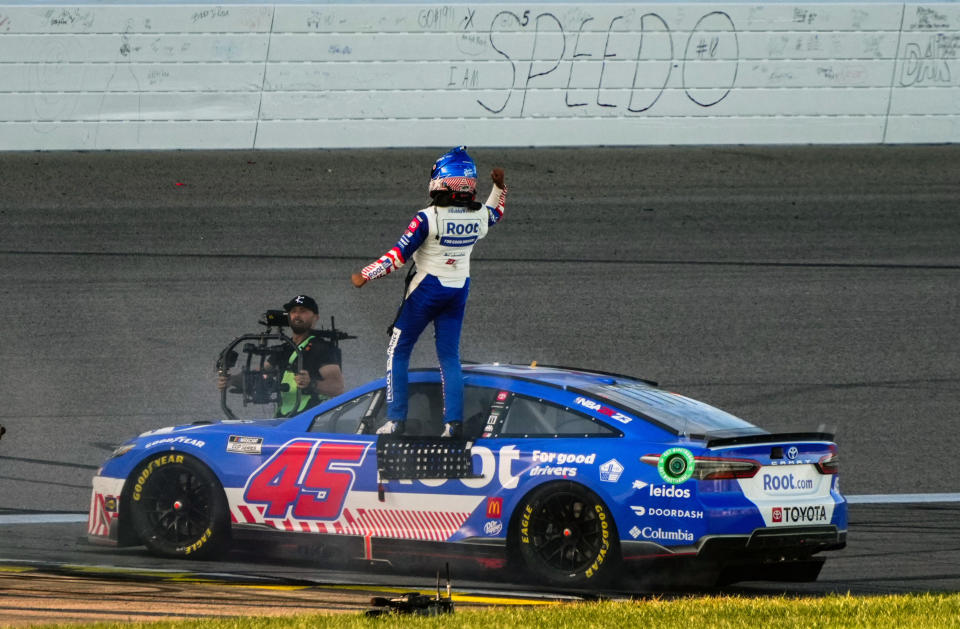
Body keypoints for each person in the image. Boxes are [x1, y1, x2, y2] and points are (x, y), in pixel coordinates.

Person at [351, 146, 506, 438]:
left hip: (426, 289)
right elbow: (496, 211)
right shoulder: (479, 217)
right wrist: (499, 187)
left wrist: (366, 274)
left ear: (440, 181)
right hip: (459, 289)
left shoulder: (427, 218)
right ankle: (453, 424)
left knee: (398, 350)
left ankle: (396, 420)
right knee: (449, 356)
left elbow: (397, 257)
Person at [218, 294, 345, 416]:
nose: (297, 315)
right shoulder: (285, 348)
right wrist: (231, 380)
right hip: (284, 419)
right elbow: (258, 375)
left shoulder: (322, 348)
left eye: (303, 311)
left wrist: (311, 383)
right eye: (293, 311)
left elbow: (337, 388)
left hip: (311, 420)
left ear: (315, 317)